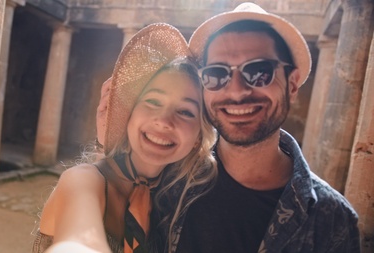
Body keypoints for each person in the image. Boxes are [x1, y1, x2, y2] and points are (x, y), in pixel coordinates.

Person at [95, 2, 360, 253]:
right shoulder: (169, 173)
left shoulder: (333, 219)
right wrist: (108, 136)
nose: (236, 91)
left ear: (292, 85)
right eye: (217, 74)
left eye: (259, 71)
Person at [32, 23, 217, 253]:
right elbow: (78, 241)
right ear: (129, 112)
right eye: (153, 101)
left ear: (199, 136)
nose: (164, 121)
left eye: (186, 112)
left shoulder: (174, 200)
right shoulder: (83, 180)